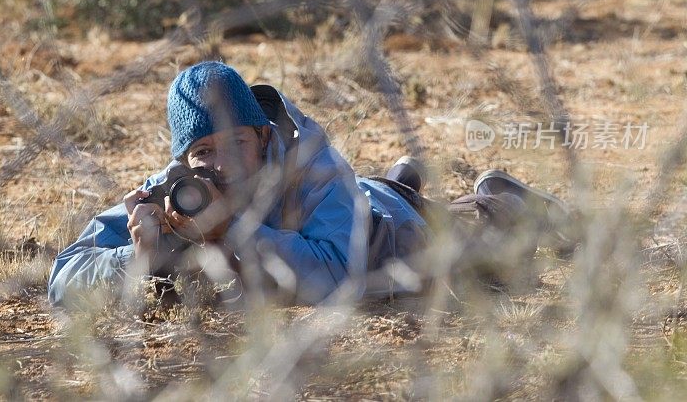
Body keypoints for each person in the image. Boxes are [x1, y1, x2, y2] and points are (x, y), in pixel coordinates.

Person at [48, 61, 569, 307]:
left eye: (235, 145)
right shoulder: (177, 192)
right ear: (182, 160)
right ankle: (400, 178)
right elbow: (62, 279)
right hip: (353, 203)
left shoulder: (308, 160)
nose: (219, 166)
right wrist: (133, 257)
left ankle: (495, 198)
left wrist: (232, 233)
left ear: (262, 135)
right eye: (203, 152)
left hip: (393, 239)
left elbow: (341, 276)